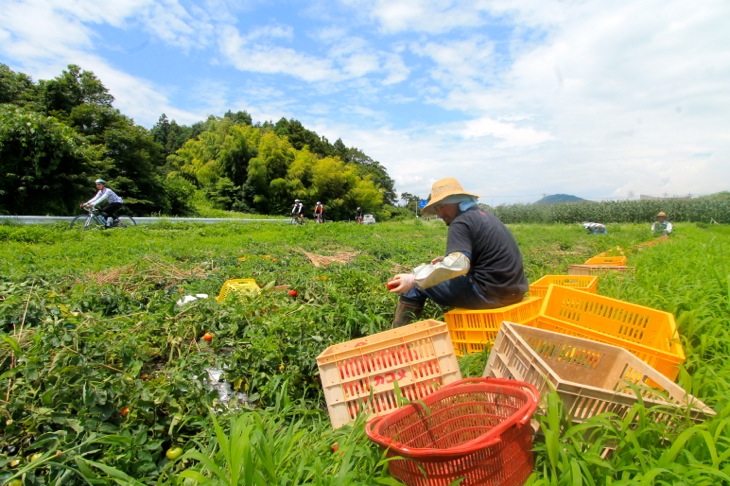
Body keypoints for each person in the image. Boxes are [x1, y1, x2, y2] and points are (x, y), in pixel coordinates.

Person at [387, 178, 528, 328]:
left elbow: (459, 264)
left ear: (456, 202)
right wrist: (445, 259)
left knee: (417, 286)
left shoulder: (460, 222)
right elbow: (484, 255)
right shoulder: (486, 216)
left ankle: (396, 336)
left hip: (490, 295)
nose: (440, 214)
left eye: (442, 207)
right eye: (437, 209)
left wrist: (413, 278)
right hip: (514, 292)